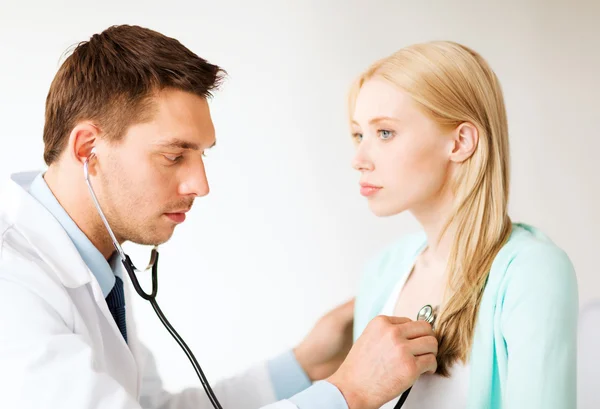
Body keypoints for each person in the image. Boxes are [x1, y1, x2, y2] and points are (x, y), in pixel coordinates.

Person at [0, 25, 439, 409]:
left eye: (201, 156)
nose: (200, 185)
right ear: (86, 149)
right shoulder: (13, 284)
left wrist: (307, 362)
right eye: (174, 156)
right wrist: (348, 394)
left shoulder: (100, 268)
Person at [349, 40, 579, 409]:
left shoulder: (533, 272)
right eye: (359, 134)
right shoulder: (383, 271)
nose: (358, 159)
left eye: (385, 133)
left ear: (460, 142)